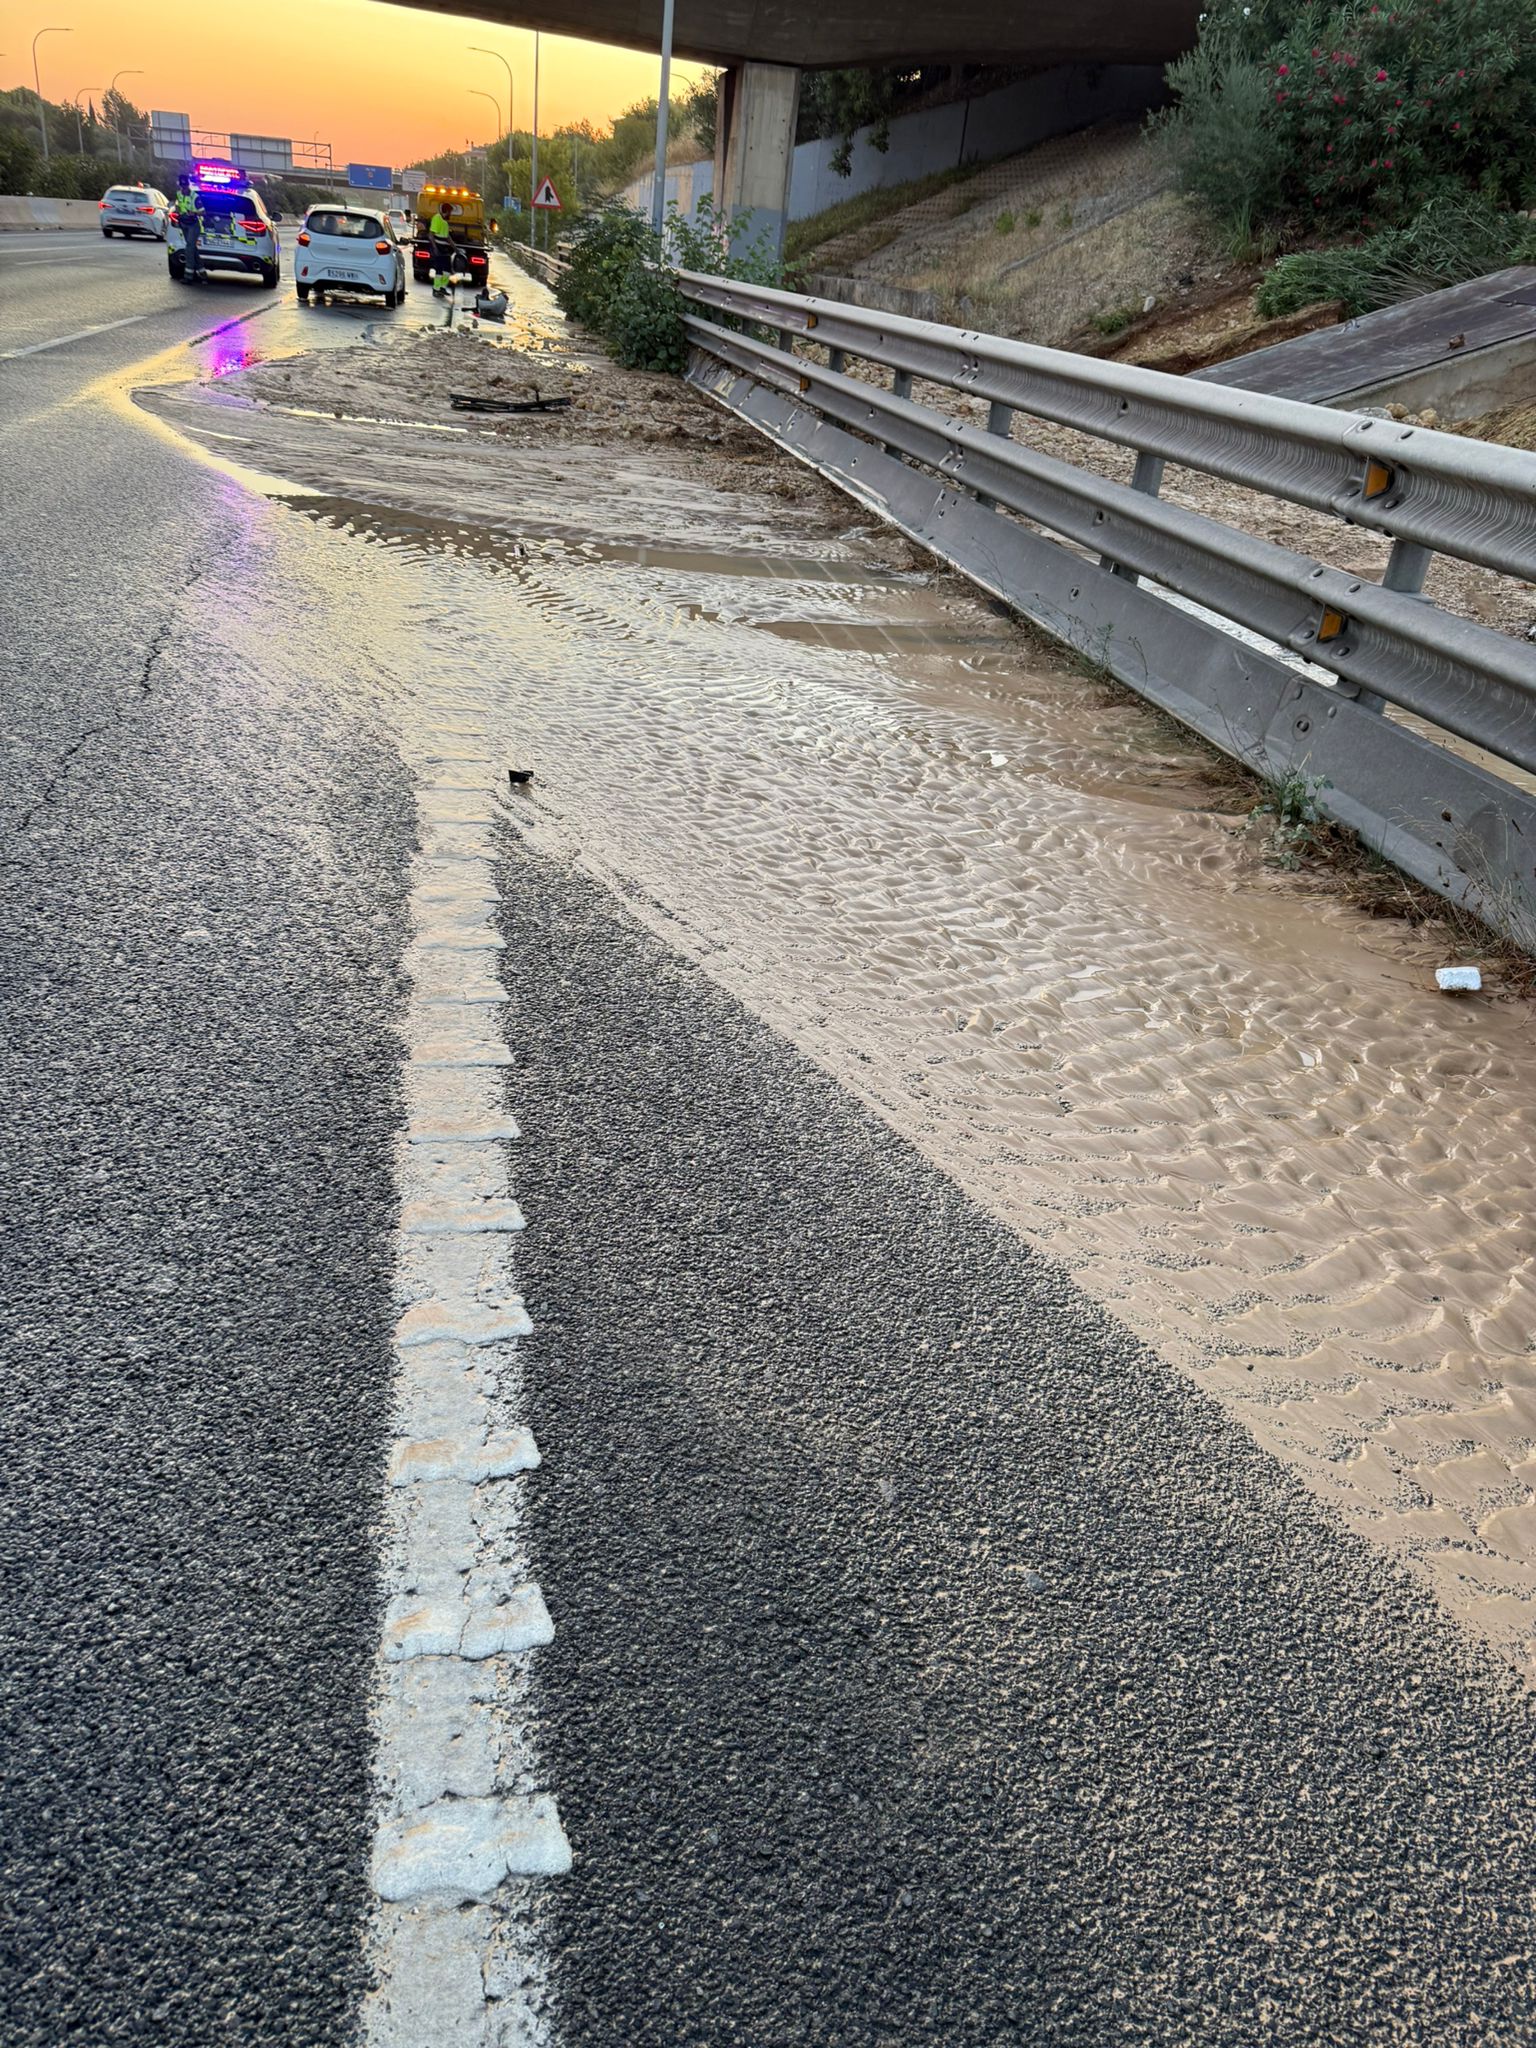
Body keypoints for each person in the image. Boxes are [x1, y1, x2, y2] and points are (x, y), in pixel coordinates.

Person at [173, 175, 203, 282]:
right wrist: (177, 210)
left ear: (188, 185)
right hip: (183, 223)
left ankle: (188, 276)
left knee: (189, 248)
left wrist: (194, 213)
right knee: (192, 249)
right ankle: (202, 271)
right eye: (182, 186)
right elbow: (177, 205)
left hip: (193, 225)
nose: (183, 189)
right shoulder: (179, 194)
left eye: (185, 186)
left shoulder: (195, 196)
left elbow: (203, 211)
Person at [428, 198, 455, 298]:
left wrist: (455, 248)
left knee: (447, 270)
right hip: (438, 249)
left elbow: (447, 237)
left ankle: (442, 288)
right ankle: (436, 289)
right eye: (450, 212)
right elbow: (431, 235)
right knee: (439, 270)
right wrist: (435, 248)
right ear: (446, 211)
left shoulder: (445, 222)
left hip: (445, 250)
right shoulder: (437, 219)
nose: (450, 214)